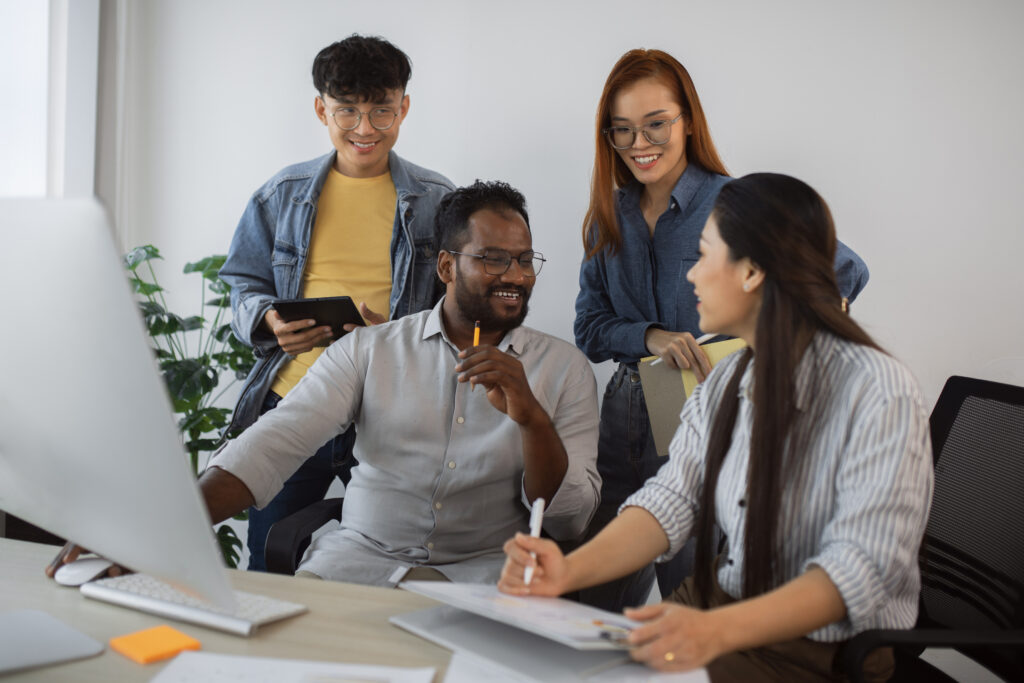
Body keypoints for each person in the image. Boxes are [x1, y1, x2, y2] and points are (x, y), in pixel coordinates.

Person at [501, 173, 933, 681]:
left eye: (705, 256)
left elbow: (859, 571)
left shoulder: (878, 390)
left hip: (816, 652)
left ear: (750, 271)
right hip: (717, 608)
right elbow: (672, 500)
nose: (692, 276)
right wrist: (565, 572)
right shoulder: (728, 376)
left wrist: (716, 631)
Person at [573, 49, 871, 610]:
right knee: (597, 599)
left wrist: (767, 349)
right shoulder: (607, 214)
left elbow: (845, 272)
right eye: (622, 130)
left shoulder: (733, 204)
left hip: (705, 403)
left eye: (656, 124)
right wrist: (652, 337)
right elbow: (589, 328)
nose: (640, 144)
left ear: (688, 120)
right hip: (625, 413)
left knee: (689, 592)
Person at [202, 181, 599, 584]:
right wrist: (176, 523)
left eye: (524, 260)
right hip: (358, 564)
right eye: (494, 260)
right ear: (446, 267)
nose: (516, 276)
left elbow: (571, 519)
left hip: (483, 579)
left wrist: (532, 419)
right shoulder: (370, 350)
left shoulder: (566, 370)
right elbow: (274, 443)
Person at [218, 35, 455, 571]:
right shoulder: (282, 194)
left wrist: (396, 333)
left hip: (391, 408)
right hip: (293, 400)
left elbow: (460, 307)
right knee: (270, 560)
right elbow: (241, 282)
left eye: (381, 111)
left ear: (404, 108)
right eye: (347, 111)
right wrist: (268, 319)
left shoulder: (438, 201)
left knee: (395, 561)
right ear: (322, 108)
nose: (365, 129)